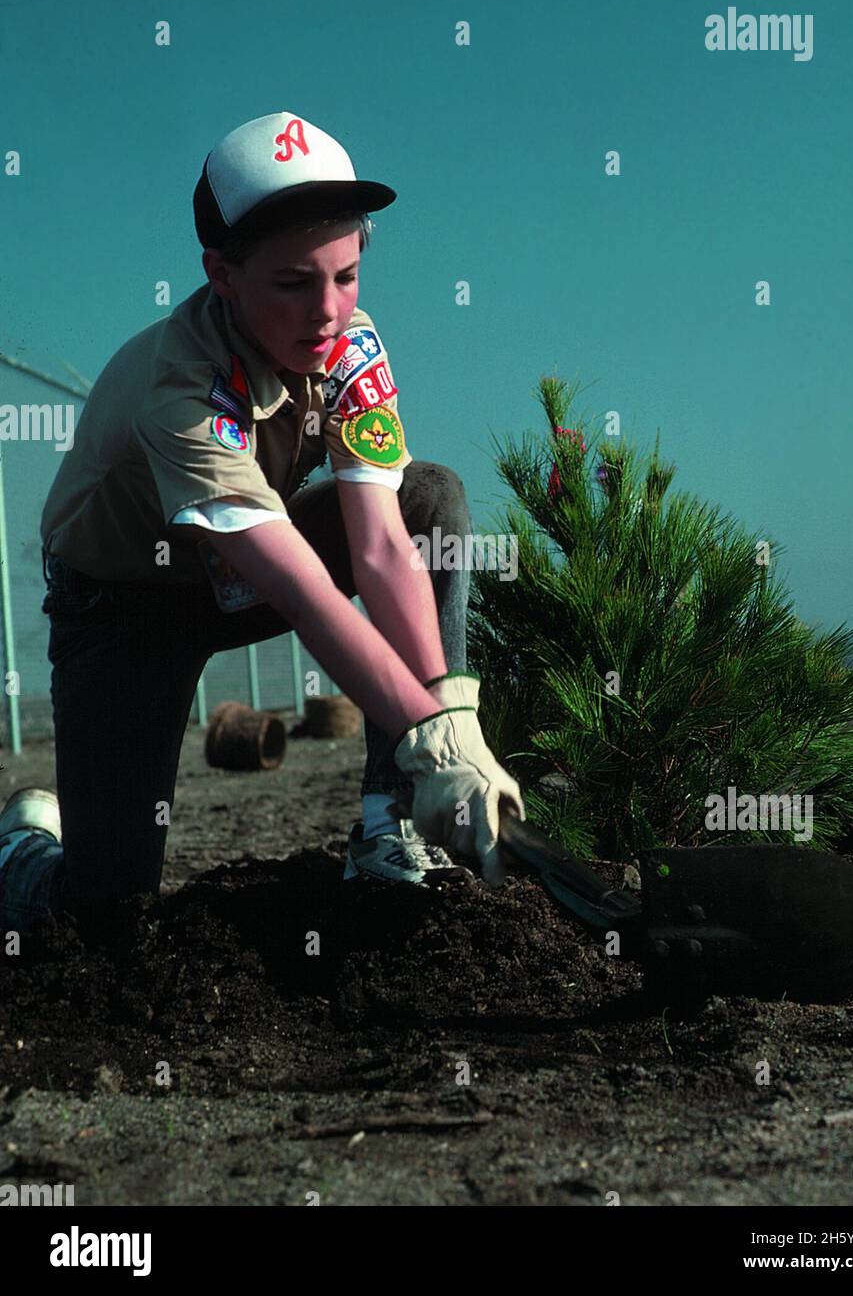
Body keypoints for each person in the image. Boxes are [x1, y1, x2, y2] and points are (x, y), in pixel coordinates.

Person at [0, 111, 524, 941]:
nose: (329, 311)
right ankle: (25, 849)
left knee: (429, 498)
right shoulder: (181, 389)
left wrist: (448, 721)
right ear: (223, 274)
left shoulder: (351, 344)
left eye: (348, 275)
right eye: (294, 283)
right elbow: (303, 591)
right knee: (104, 919)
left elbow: (383, 541)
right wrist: (424, 729)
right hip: (123, 610)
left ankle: (389, 831)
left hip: (234, 579)